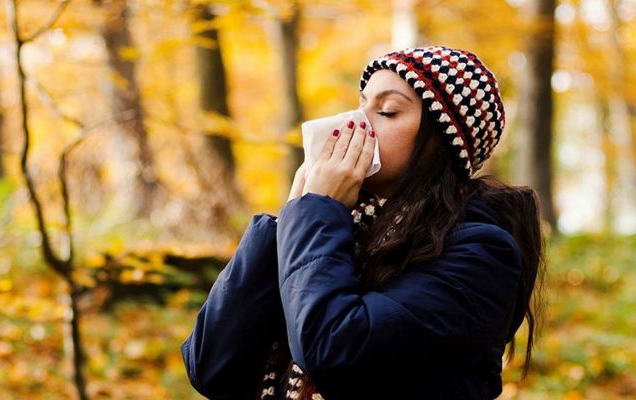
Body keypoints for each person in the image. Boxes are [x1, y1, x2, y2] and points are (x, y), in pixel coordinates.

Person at [181, 45, 547, 400]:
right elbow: (210, 368)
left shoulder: (480, 253)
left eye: (386, 111)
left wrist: (317, 213)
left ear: (440, 141)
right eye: (360, 105)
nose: (354, 124)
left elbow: (333, 350)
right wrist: (290, 217)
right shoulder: (337, 228)